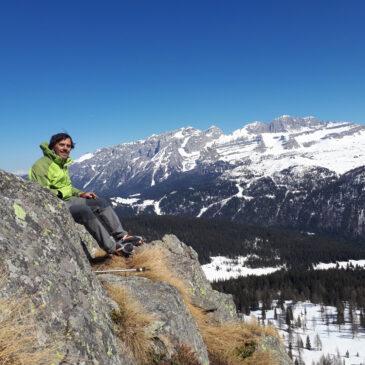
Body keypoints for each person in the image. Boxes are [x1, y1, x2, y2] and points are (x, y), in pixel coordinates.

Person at [29, 132, 143, 256]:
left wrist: (81, 193)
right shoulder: (41, 165)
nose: (65, 148)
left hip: (68, 199)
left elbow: (67, 187)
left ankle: (122, 236)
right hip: (55, 204)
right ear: (52, 146)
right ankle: (113, 248)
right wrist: (63, 193)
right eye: (62, 145)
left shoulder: (61, 163)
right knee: (84, 211)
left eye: (68, 146)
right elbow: (40, 192)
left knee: (100, 203)